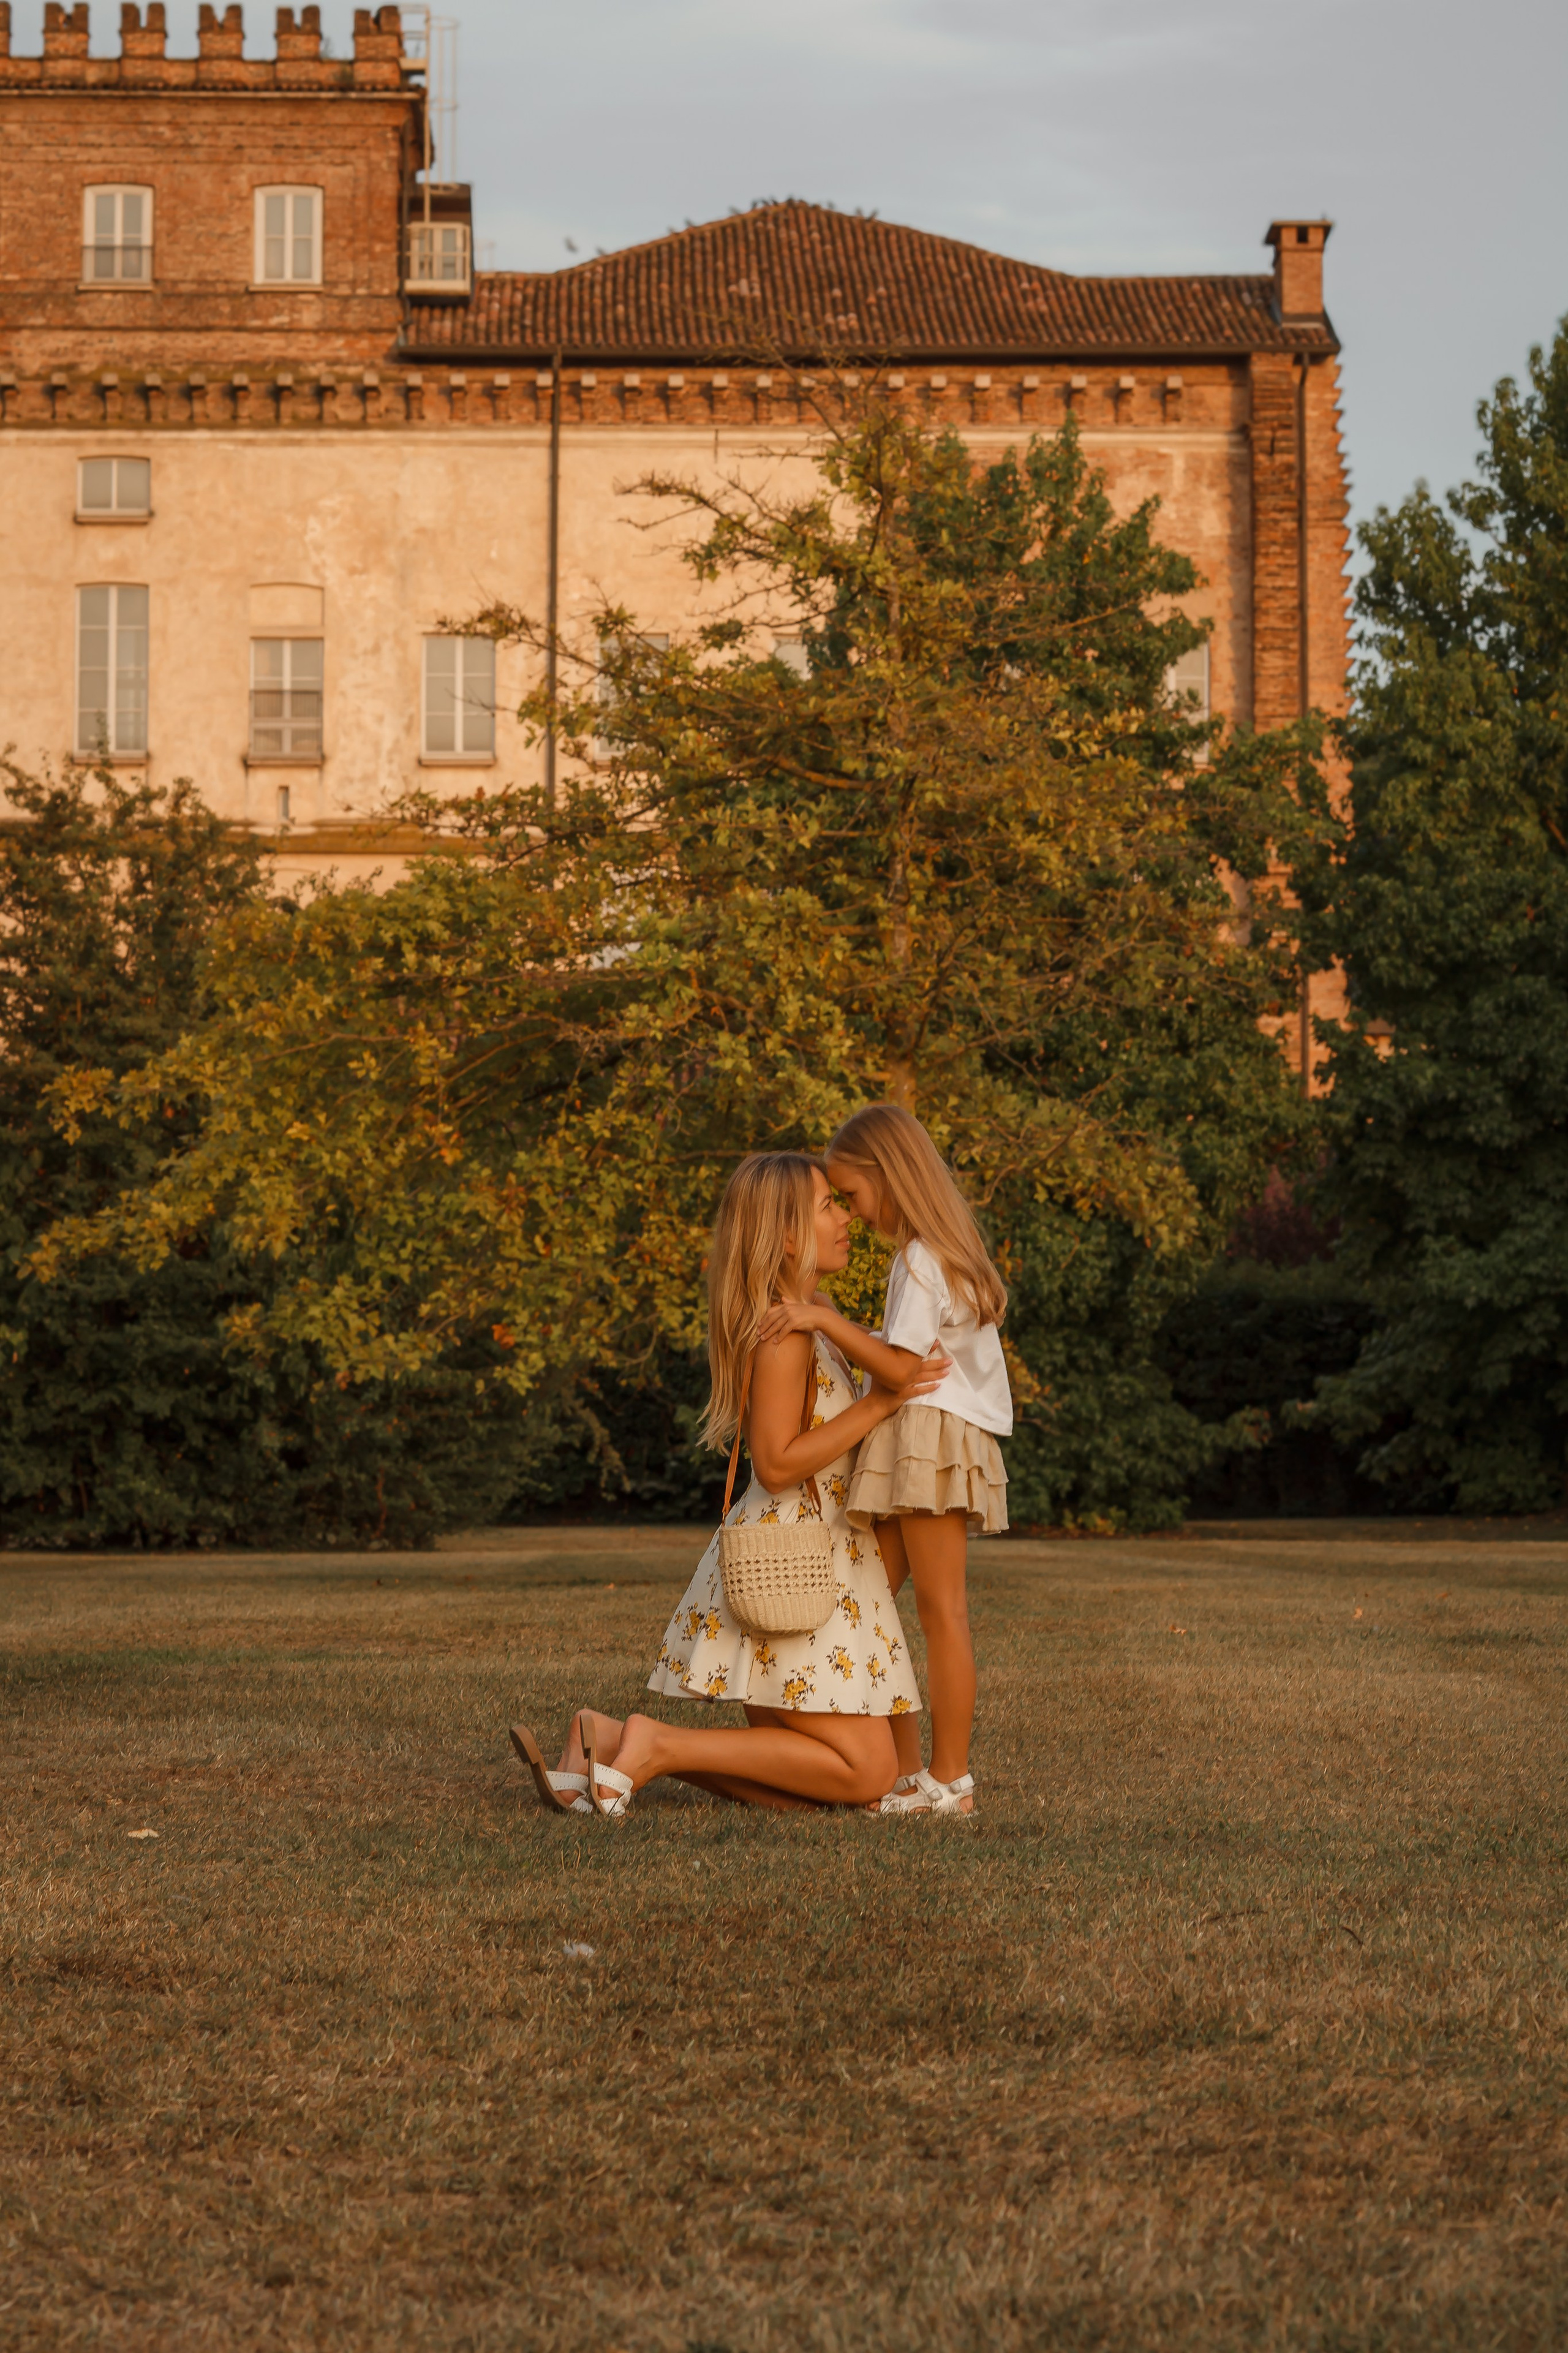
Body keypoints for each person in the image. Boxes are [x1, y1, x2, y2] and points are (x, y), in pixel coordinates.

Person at [508, 1150, 947, 1818]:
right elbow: (774, 1463)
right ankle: (654, 1745)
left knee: (803, 1798)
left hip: (820, 1563)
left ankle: (605, 1738)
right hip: (790, 1567)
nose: (845, 1217)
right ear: (786, 1234)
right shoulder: (781, 1336)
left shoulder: (811, 1313)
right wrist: (879, 1404)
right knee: (867, 1771)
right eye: (827, 1206)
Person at [756, 1105, 1011, 1815]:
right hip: (921, 1436)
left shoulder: (923, 1257)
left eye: (853, 1196)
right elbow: (899, 1349)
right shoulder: (928, 1256)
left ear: (886, 1176)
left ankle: (949, 1777)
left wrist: (824, 1319)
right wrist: (845, 1330)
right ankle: (905, 1771)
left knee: (940, 1609)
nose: (854, 1214)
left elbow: (900, 1370)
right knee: (877, 1608)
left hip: (930, 1437)